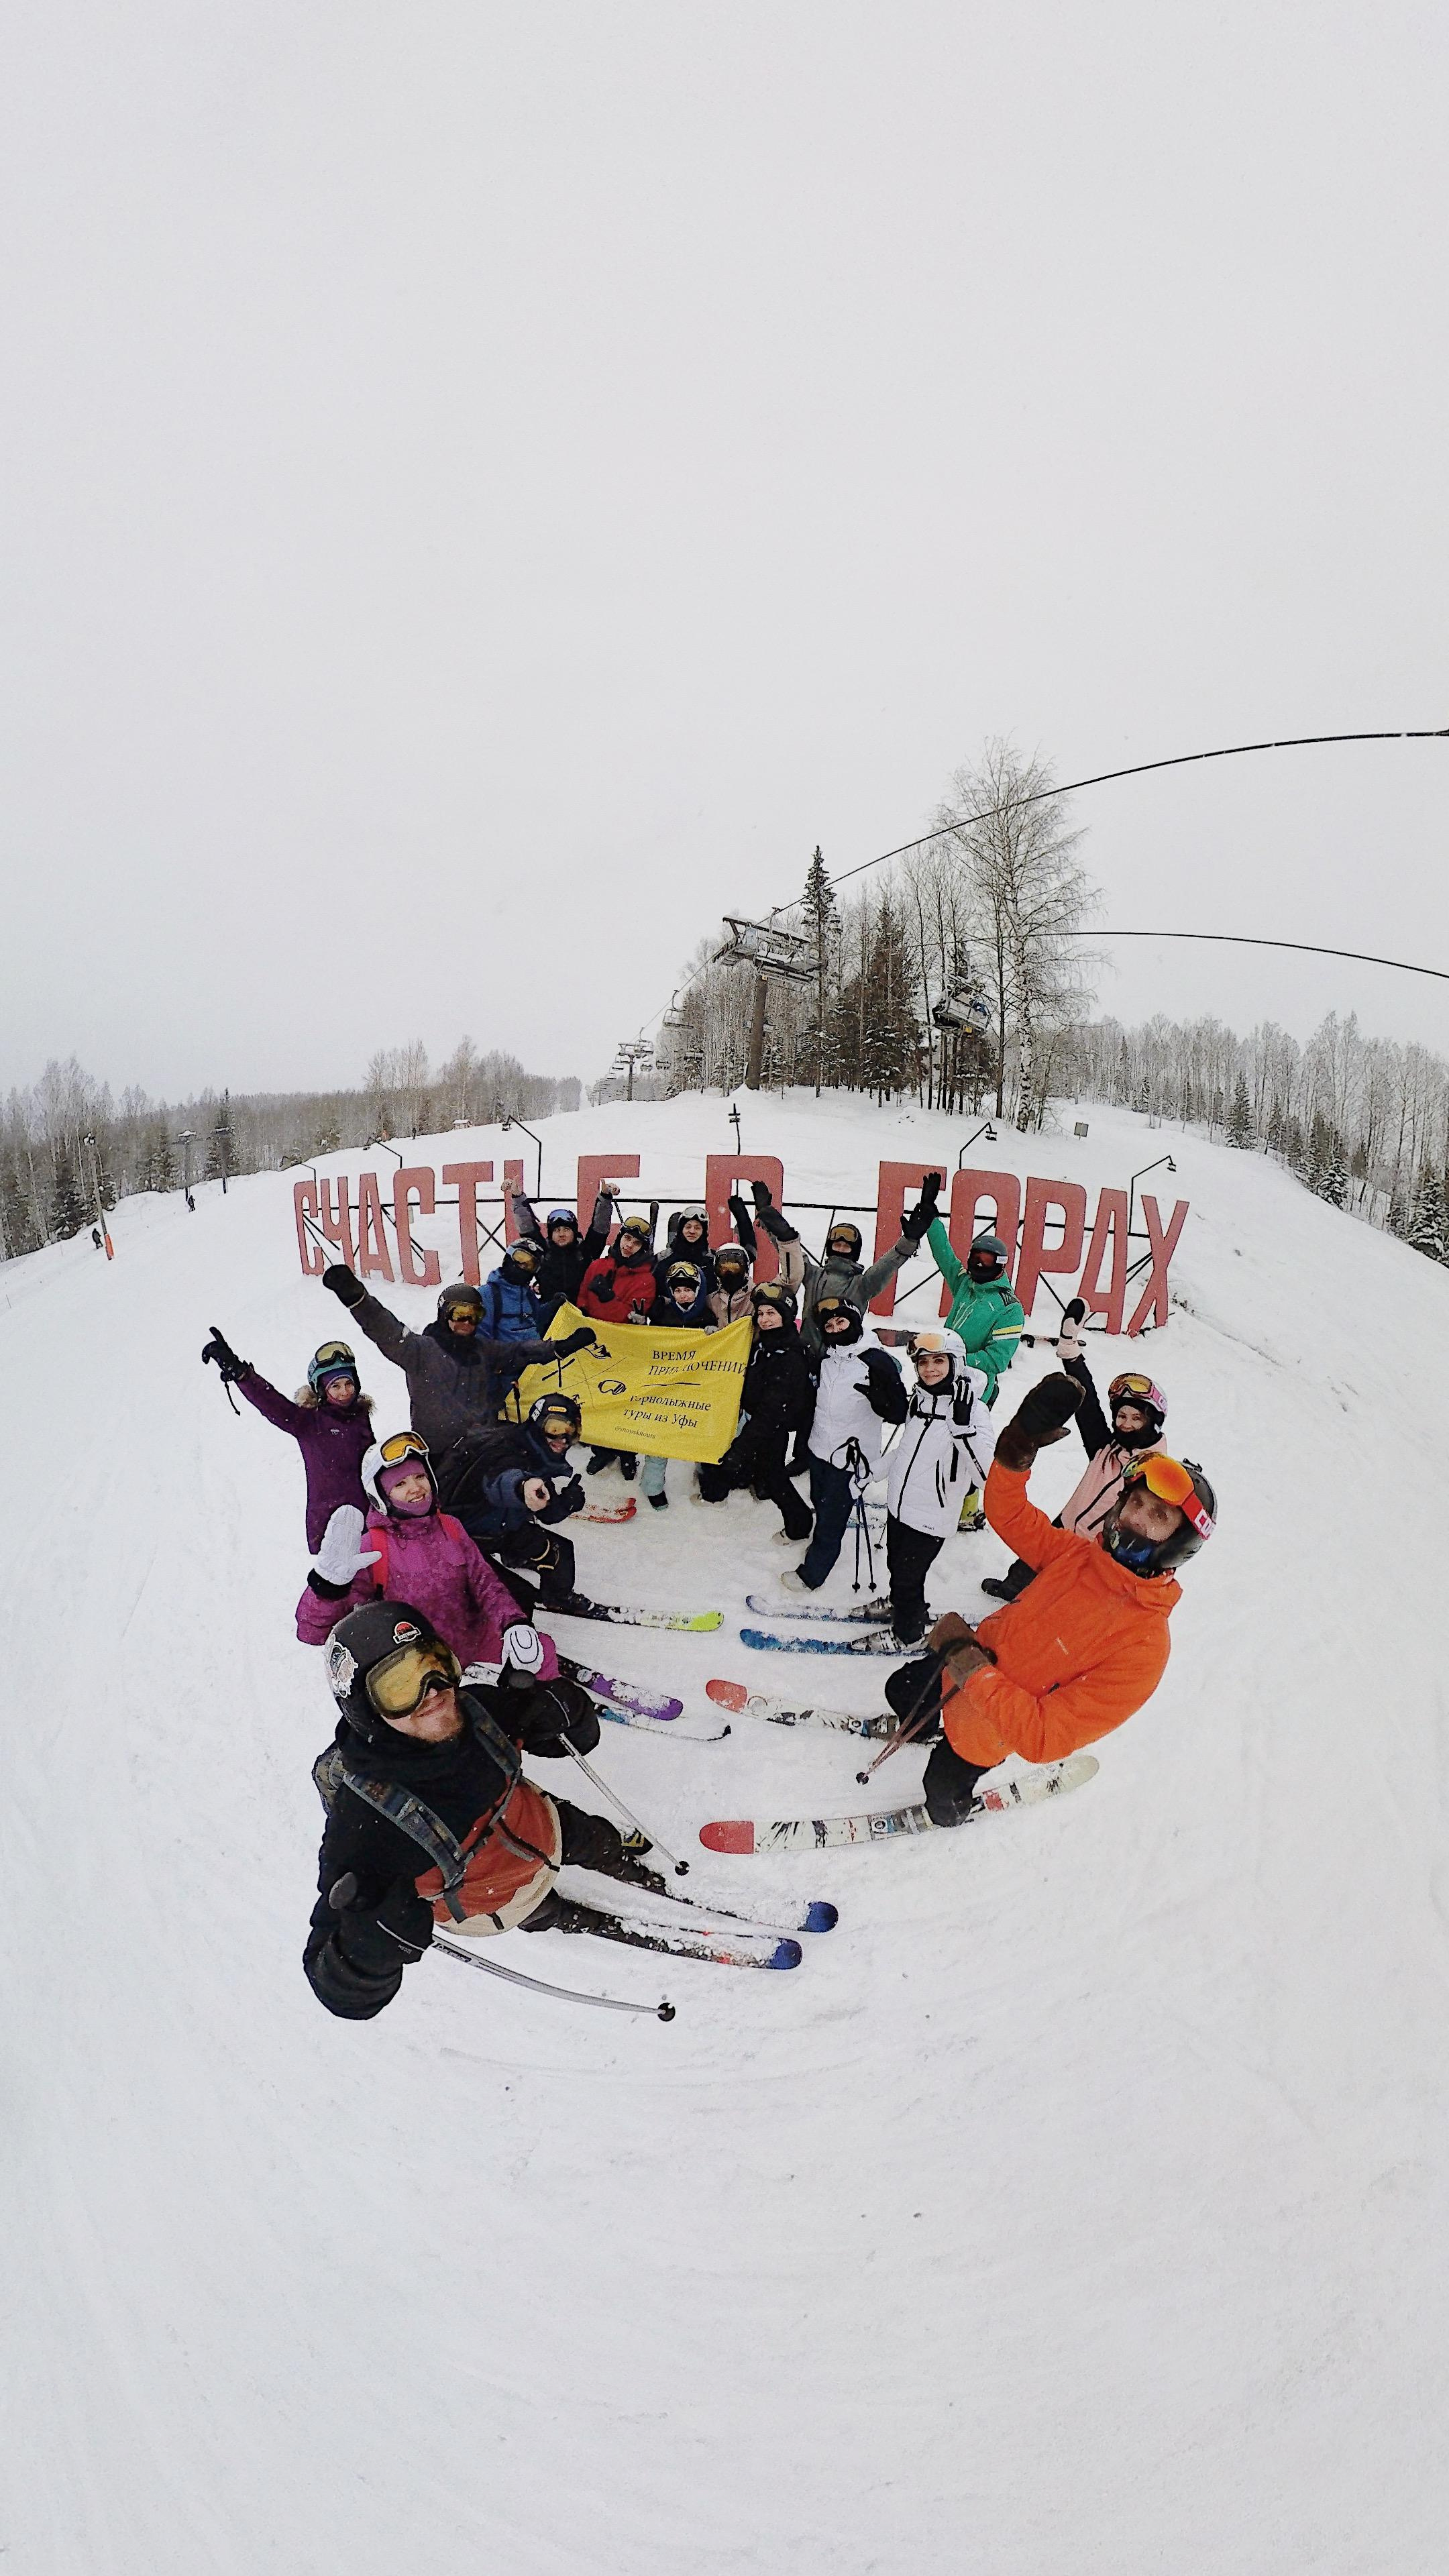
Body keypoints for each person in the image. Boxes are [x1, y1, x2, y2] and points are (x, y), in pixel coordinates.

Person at [303, 1601, 672, 2021]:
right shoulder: (369, 1824)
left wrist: (570, 1714)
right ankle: (573, 1919)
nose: (435, 1693)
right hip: (492, 1901)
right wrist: (362, 1958)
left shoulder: (478, 1711)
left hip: (545, 1825)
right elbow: (332, 1978)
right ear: (368, 1711)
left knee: (594, 1838)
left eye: (435, 1664)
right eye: (401, 1687)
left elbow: (563, 1735)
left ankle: (633, 1868)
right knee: (538, 1909)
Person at [890, 1373, 1215, 1825]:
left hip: (986, 1727)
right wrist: (1018, 1447)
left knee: (941, 1785)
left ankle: (952, 1811)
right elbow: (1010, 1514)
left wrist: (971, 1666)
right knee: (898, 1691)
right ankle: (921, 1723)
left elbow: (1044, 1737)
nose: (1137, 1518)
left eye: (1159, 1515)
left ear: (1179, 1543)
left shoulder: (1143, 1648)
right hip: (955, 1669)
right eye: (1136, 1503)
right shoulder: (1079, 1555)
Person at [296, 1430, 576, 1667]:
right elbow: (312, 1633)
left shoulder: (451, 1527)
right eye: (401, 1484)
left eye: (420, 1477)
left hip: (474, 1638)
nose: (416, 1489)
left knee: (543, 1654)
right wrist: (326, 1588)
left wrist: (512, 1622)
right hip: (421, 1662)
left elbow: (484, 1581)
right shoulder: (373, 1547)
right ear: (381, 1496)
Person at [321, 1266, 594, 1477]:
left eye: (474, 1315)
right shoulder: (420, 1351)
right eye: (459, 1314)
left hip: (480, 1445)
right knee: (454, 1507)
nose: (467, 1322)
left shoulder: (482, 1350)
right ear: (444, 1314)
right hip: (440, 1452)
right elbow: (385, 1329)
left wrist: (560, 1347)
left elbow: (520, 1351)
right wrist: (357, 1298)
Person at [980, 1301, 1169, 1602]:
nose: (1127, 1424)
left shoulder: (1155, 1474)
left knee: (1055, 1591)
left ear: (1153, 1422)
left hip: (1091, 1550)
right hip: (1065, 1525)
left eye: (1137, 1418)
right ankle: (1011, 1589)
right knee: (1028, 1564)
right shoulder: (1105, 1449)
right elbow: (1088, 1399)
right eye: (1122, 1417)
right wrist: (1069, 1349)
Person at [201, 1330, 376, 1550]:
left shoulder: (360, 1419)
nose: (344, 1392)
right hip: (333, 1528)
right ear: (322, 1390)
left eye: (348, 1384)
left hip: (371, 1522)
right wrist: (242, 1374)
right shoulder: (310, 1424)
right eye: (335, 1386)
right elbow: (272, 1403)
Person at [781, 1296, 906, 1591]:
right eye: (830, 1325)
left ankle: (812, 1575)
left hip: (852, 1458)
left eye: (842, 1322)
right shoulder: (827, 1358)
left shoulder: (876, 1360)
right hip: (820, 1448)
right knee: (818, 1500)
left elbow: (899, 1412)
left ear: (855, 1323)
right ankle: (820, 1535)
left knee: (832, 1518)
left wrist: (880, 1401)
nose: (836, 1329)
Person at [883, 1329, 997, 1645]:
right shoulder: (919, 1401)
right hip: (899, 1506)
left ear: (956, 1363)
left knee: (909, 1577)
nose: (930, 1369)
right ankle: (905, 1607)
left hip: (932, 1515)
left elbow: (986, 1474)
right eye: (923, 1363)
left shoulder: (974, 1411)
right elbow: (905, 1450)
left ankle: (907, 1633)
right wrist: (871, 1473)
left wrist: (963, 1431)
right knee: (897, 1567)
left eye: (938, 1361)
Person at [438, 1392, 594, 1615]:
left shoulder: (536, 1450)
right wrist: (522, 1487)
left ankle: (557, 1598)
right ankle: (510, 1640)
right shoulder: (509, 1451)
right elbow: (500, 1480)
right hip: (466, 1536)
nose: (563, 1440)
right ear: (539, 1423)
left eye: (571, 1432)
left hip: (502, 1525)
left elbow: (547, 1513)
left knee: (561, 1552)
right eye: (556, 1429)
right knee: (519, 1598)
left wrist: (567, 1502)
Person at [748, 1181, 923, 1360]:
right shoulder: (814, 1275)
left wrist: (910, 1240)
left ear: (854, 1252)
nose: (840, 1249)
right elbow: (790, 1251)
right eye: (836, 1245)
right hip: (806, 1357)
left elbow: (887, 1265)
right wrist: (769, 1220)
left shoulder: (862, 1284)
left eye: (846, 1246)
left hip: (842, 1360)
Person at [696, 1279, 816, 1541]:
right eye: (760, 1313)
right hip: (756, 1422)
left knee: (773, 1479)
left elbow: (772, 1410)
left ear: (786, 1316)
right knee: (768, 1476)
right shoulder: (764, 1343)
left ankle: (800, 1523)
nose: (764, 1319)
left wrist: (742, 1448)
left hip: (769, 1429)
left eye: (771, 1313)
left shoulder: (790, 1356)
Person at [920, 1184, 1025, 1406]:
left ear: (1000, 1265)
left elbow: (997, 1360)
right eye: (975, 1256)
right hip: (939, 1380)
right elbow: (945, 1256)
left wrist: (952, 1361)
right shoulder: (966, 1285)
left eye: (986, 1259)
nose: (978, 1263)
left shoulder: (1010, 1308)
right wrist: (931, 1219)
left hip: (972, 1392)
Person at [578, 1208, 658, 1480]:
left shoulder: (646, 1279)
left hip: (625, 1351)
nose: (628, 1245)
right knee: (597, 1399)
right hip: (595, 1349)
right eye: (626, 1238)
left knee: (625, 1402)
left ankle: (627, 1453)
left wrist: (607, 1299)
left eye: (635, 1243)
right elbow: (582, 1303)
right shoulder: (597, 1266)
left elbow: (630, 1317)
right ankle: (602, 1449)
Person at [639, 1259, 714, 1511]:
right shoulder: (663, 1313)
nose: (683, 1295)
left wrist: (716, 1336)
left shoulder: (706, 1314)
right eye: (678, 1290)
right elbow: (650, 1342)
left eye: (688, 1289)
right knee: (659, 1436)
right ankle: (652, 1486)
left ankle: (705, 1474)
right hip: (666, 1386)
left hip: (696, 1387)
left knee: (700, 1432)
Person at [507, 1185, 614, 1326]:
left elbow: (599, 1228)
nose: (562, 1234)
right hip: (549, 1319)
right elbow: (527, 1227)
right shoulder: (542, 1252)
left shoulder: (586, 1251)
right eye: (557, 1230)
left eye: (566, 1229)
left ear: (574, 1232)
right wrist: (517, 1196)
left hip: (582, 1317)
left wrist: (605, 1197)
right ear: (551, 1234)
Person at [482, 1238, 547, 1343]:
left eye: (530, 1265)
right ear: (508, 1258)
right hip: (506, 1357)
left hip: (537, 1356)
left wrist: (553, 1307)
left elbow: (539, 1320)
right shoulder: (488, 1295)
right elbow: (482, 1340)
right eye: (520, 1258)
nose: (523, 1266)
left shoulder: (528, 1295)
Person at [655, 1205, 716, 1298]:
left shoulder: (713, 1260)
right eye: (688, 1227)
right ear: (681, 1229)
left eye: (697, 1228)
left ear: (704, 1232)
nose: (692, 1231)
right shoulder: (662, 1259)